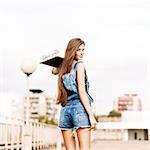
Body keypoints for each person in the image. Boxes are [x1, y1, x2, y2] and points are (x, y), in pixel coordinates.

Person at [52, 38, 97, 150]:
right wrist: (91, 115)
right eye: (78, 50)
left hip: (65, 110)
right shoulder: (79, 65)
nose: (81, 53)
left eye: (83, 50)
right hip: (80, 109)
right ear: (72, 50)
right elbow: (81, 91)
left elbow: (53, 71)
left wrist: (61, 58)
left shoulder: (63, 67)